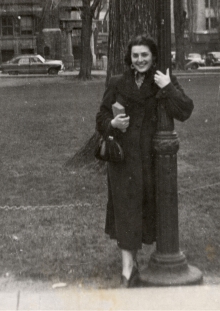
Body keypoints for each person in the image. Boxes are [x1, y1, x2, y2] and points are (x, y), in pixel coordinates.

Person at [95, 34, 194, 288]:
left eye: (145, 55)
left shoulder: (162, 80)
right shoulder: (118, 82)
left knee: (147, 212)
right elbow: (101, 117)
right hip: (123, 161)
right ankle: (128, 270)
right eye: (136, 55)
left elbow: (185, 110)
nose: (140, 60)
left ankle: (142, 264)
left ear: (153, 57)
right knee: (126, 213)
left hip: (152, 162)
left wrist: (168, 87)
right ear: (130, 58)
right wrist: (113, 124)